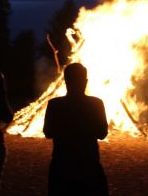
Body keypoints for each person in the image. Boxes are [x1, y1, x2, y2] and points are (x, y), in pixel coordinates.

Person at [43, 63, 109, 196]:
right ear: (85, 81)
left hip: (61, 168)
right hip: (89, 167)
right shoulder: (96, 104)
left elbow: (48, 132)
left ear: (65, 81)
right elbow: (102, 134)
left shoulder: (54, 105)